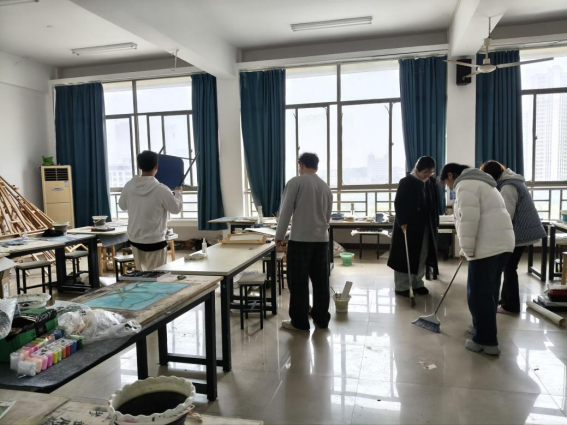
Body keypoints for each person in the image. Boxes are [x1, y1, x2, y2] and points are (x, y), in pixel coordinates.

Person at [439, 163, 514, 355]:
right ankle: (480, 327)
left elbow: (468, 220)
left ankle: (486, 341)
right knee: (489, 292)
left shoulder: (465, 185)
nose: (449, 187)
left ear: (450, 175)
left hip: (487, 248)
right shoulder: (482, 182)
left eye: (447, 183)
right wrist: (467, 249)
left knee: (479, 295)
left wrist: (466, 249)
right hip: (502, 245)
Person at [275, 152, 333, 331]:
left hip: (300, 240)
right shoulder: (325, 186)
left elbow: (285, 211)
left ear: (301, 164)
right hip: (322, 240)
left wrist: (279, 236)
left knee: (298, 281)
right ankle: (321, 319)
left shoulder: (296, 182)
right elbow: (327, 216)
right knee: (321, 281)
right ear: (316, 165)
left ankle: (299, 322)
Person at [480, 160, 546, 314]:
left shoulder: (508, 187)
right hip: (522, 231)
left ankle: (511, 306)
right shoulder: (512, 181)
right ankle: (505, 300)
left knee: (509, 267)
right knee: (508, 266)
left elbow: (506, 215)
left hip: (520, 233)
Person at [119, 150, 183, 271]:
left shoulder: (129, 186)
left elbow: (122, 206)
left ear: (139, 166)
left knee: (141, 274)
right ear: (156, 167)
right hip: (155, 240)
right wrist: (178, 193)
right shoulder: (161, 189)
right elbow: (176, 209)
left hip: (135, 239)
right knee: (157, 275)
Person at [387, 156, 439, 297]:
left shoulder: (431, 182)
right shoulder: (406, 181)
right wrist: (402, 221)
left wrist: (435, 222)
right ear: (417, 169)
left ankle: (417, 283)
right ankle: (402, 286)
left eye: (431, 172)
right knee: (405, 256)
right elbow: (399, 202)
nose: (428, 175)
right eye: (425, 172)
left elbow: (434, 203)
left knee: (422, 254)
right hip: (407, 226)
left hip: (425, 226)